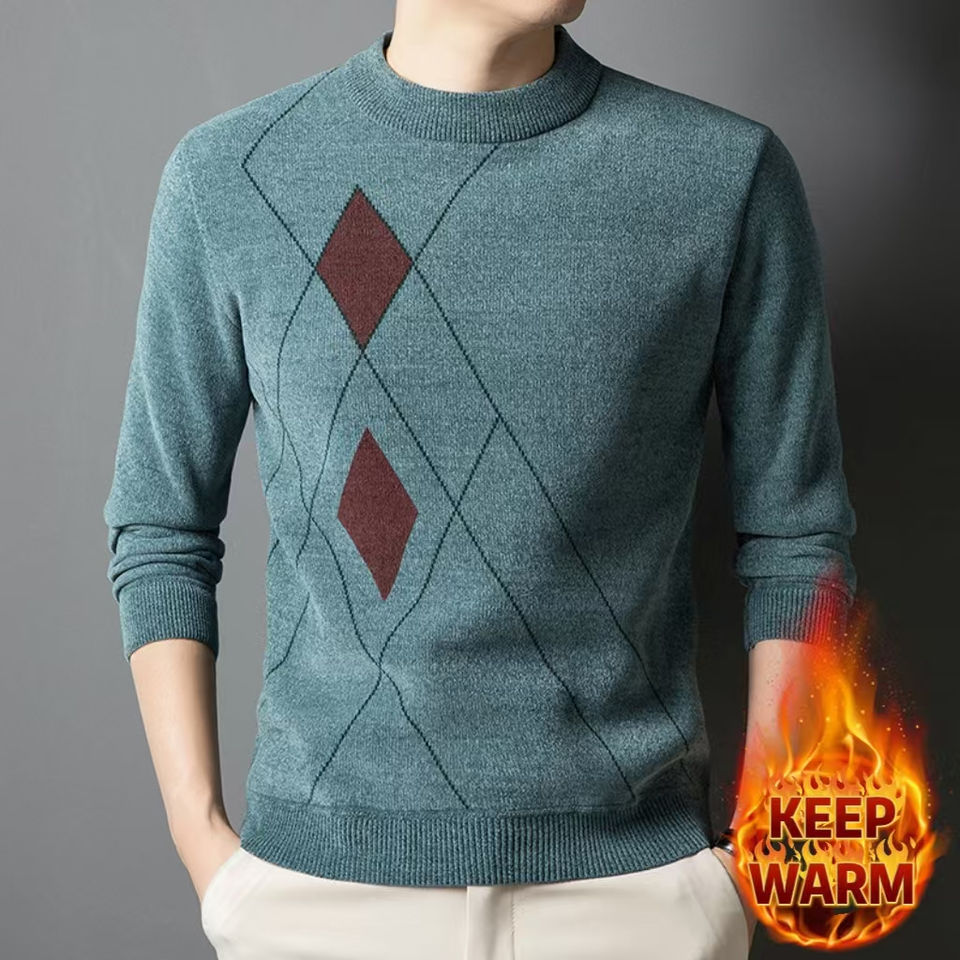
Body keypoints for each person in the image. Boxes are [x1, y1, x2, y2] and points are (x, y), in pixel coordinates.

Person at [102, 1, 857, 957]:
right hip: (319, 897)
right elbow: (161, 524)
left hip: (637, 897)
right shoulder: (234, 175)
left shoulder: (720, 173)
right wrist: (203, 841)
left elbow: (796, 536)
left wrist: (752, 854)